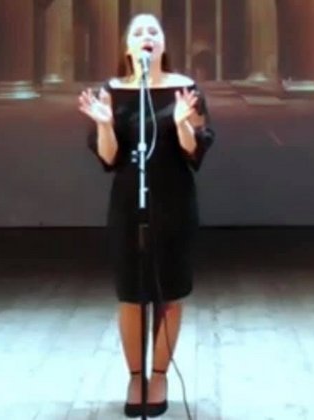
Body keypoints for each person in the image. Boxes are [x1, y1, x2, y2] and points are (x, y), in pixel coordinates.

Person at [78, 13, 215, 418]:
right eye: (137, 32)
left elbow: (195, 152)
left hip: (174, 204)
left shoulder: (185, 90)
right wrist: (105, 125)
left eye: (153, 31)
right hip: (127, 204)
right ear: (127, 47)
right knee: (132, 294)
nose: (146, 36)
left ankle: (160, 376)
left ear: (163, 44)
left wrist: (183, 125)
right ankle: (135, 376)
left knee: (169, 292)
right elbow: (109, 158)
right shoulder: (112, 91)